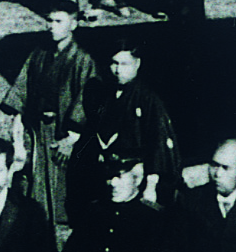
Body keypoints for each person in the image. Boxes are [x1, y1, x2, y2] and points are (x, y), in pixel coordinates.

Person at [1, 0, 98, 239]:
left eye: (58, 21)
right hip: (36, 132)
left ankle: (61, 247)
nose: (52, 26)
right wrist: (18, 122)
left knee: (60, 191)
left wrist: (73, 137)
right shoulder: (39, 54)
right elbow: (22, 88)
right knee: (32, 185)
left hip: (62, 134)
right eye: (49, 21)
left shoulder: (82, 60)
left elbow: (87, 98)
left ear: (73, 24)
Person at [74, 45, 180, 216]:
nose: (118, 70)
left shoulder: (147, 99)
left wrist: (151, 186)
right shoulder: (106, 96)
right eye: (114, 63)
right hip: (109, 175)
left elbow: (159, 144)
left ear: (137, 64)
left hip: (136, 177)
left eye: (125, 64)